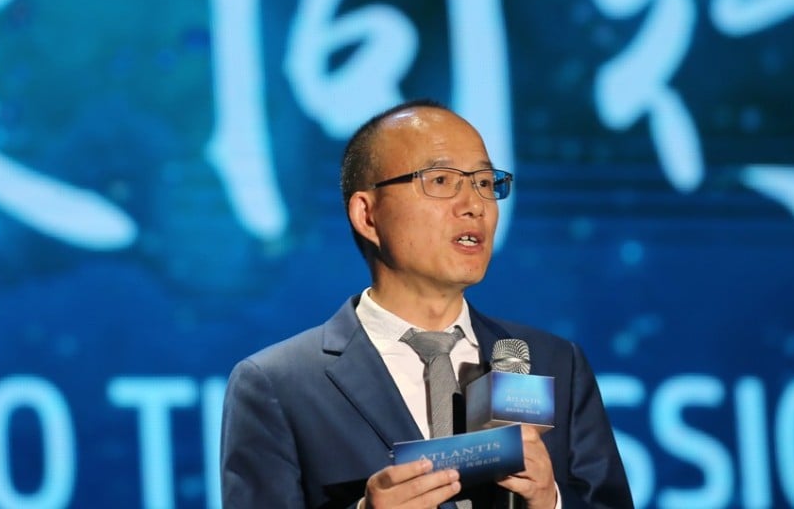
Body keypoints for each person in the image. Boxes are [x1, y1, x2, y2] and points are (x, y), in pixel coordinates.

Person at [221, 100, 634, 508]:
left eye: (486, 183)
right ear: (367, 215)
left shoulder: (554, 362)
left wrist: (550, 501)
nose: (474, 205)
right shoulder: (278, 384)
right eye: (440, 181)